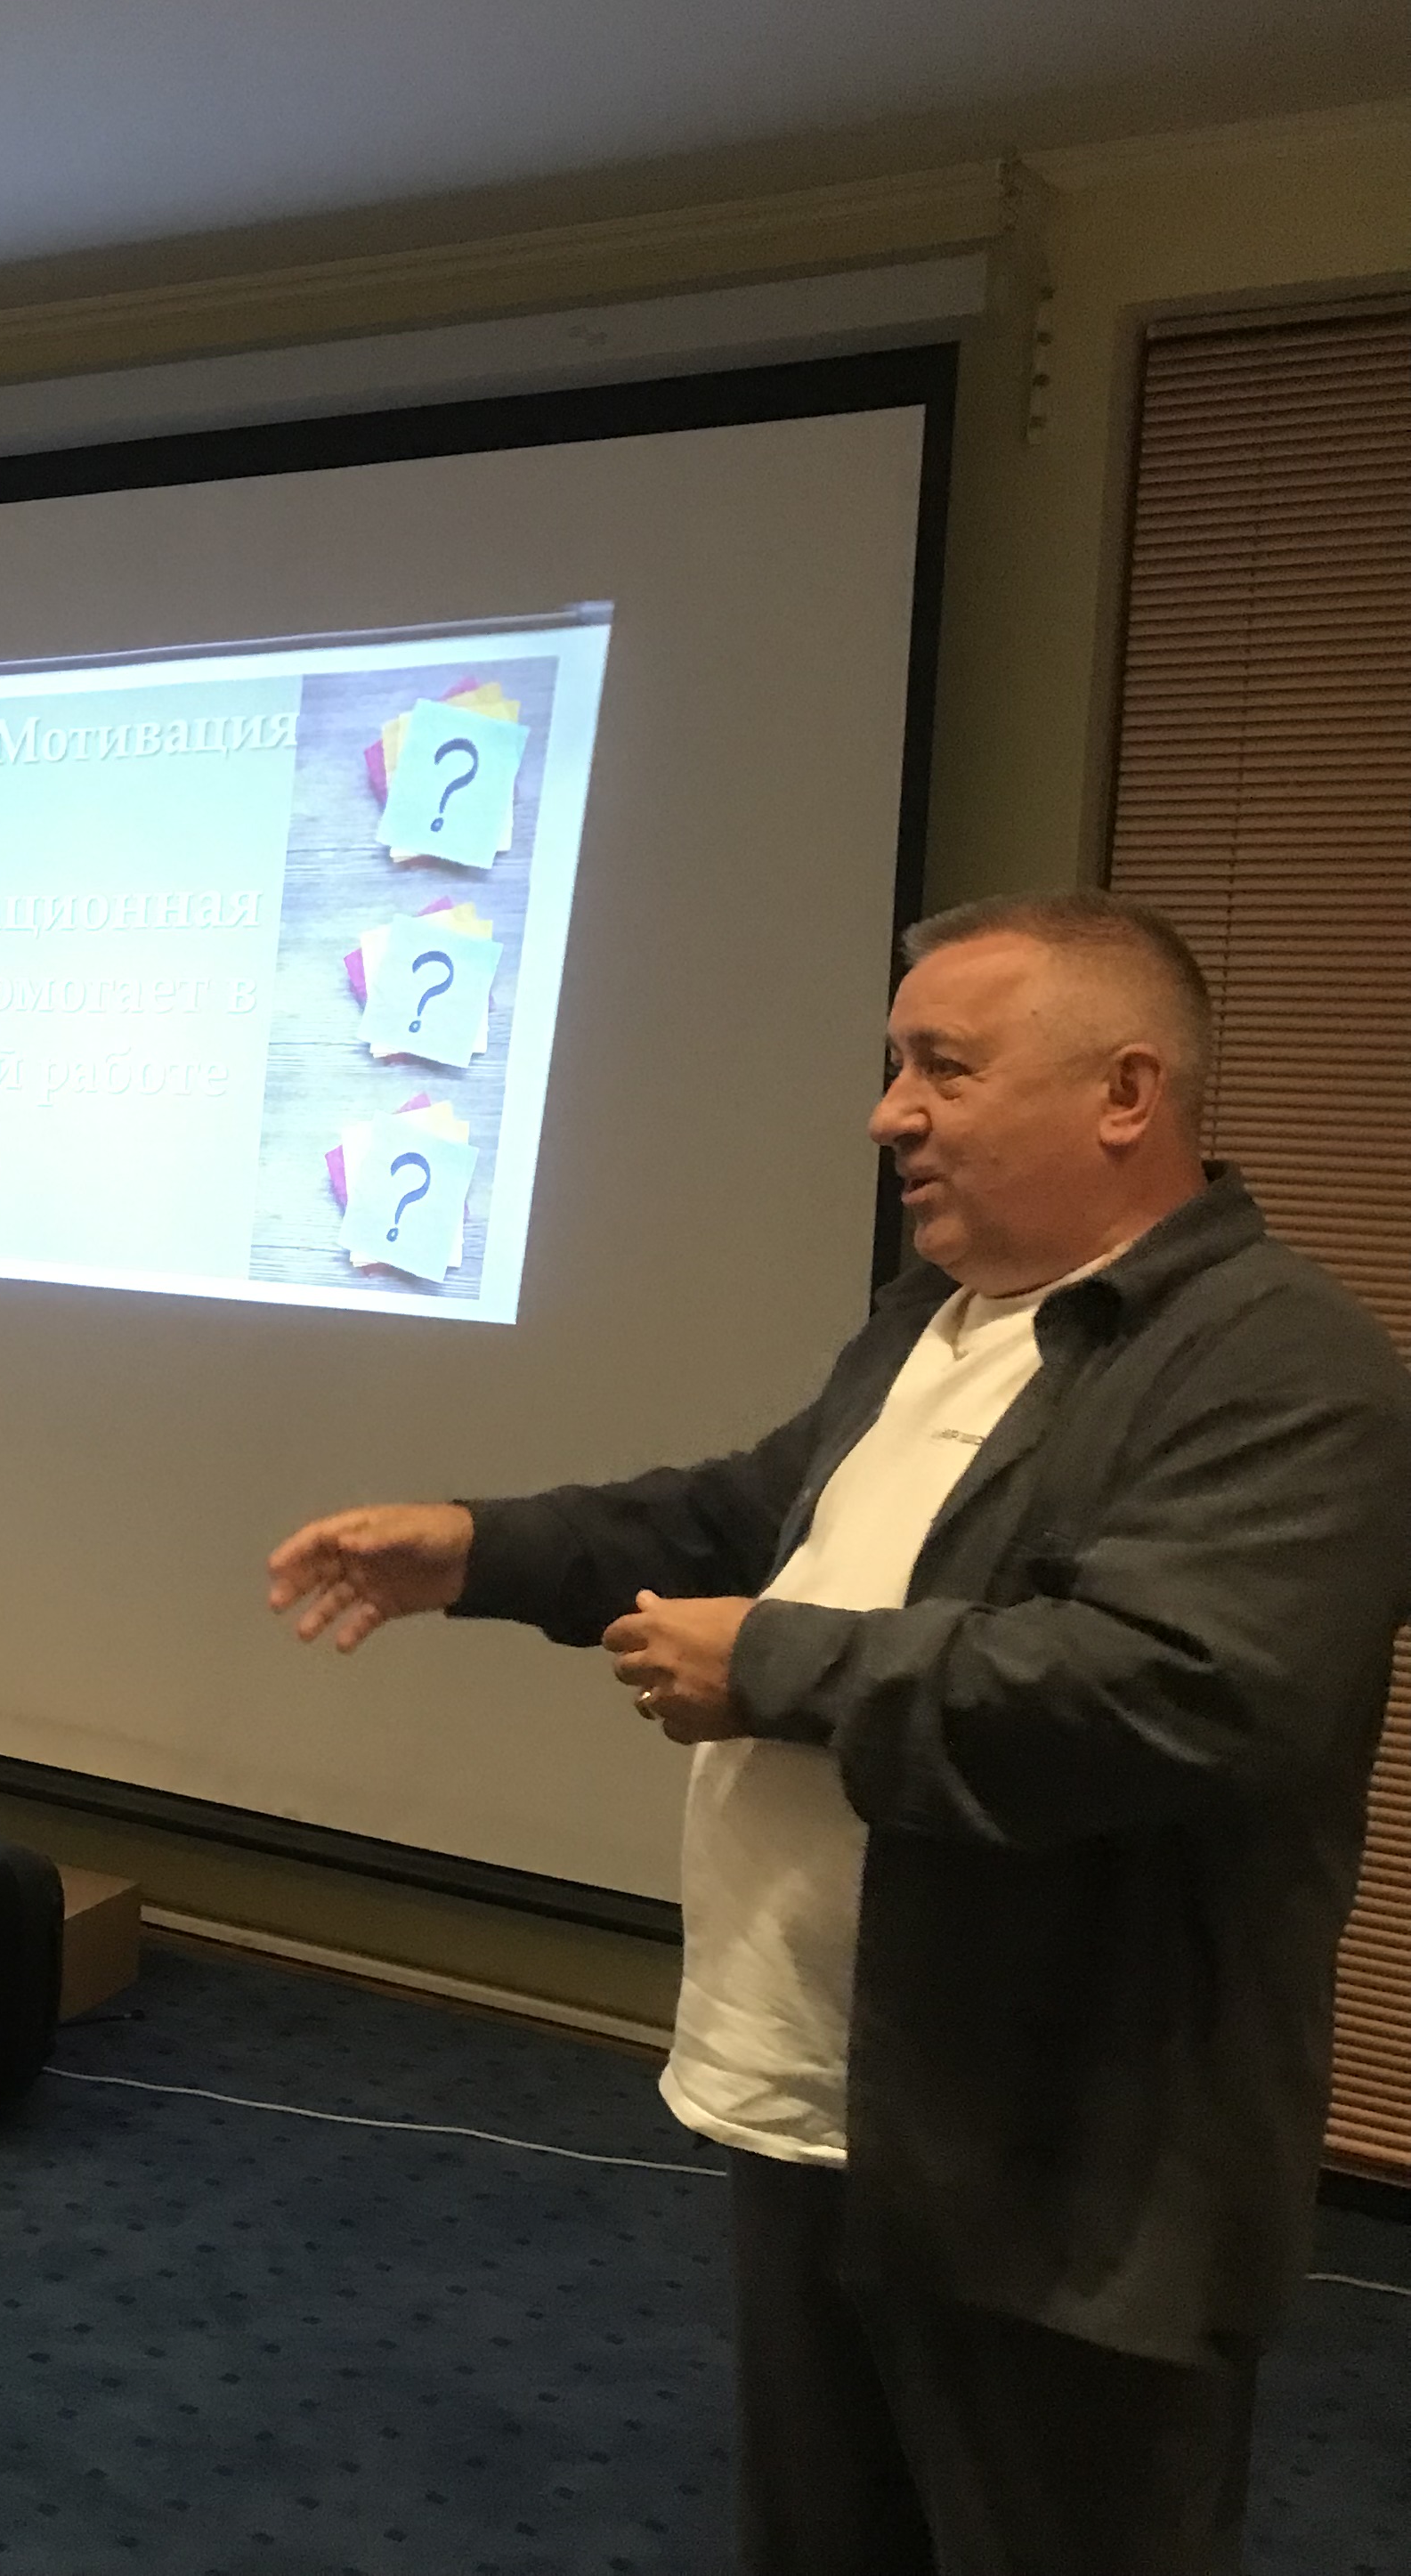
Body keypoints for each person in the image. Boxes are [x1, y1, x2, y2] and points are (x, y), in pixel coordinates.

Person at [264, 891, 1411, 2576]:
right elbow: (745, 1516)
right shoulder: (934, 1319)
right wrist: (482, 1549)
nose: (889, 1114)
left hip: (1061, 2161)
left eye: (943, 1066)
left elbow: (1179, 1688)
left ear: (1125, 1092)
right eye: (893, 1065)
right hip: (823, 2097)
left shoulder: (1285, 1368)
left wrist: (776, 1671)